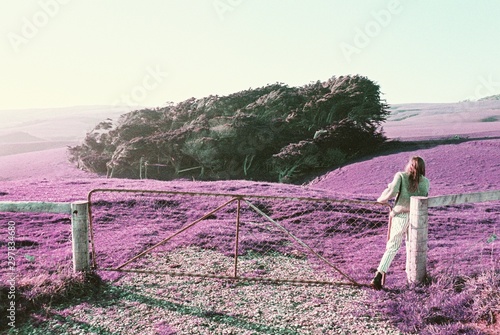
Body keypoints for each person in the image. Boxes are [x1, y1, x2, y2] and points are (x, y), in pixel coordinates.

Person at [371, 156, 430, 290]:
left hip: (401, 216)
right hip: (417, 218)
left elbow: (391, 192)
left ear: (410, 165)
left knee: (393, 246)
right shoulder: (426, 181)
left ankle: (378, 275)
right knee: (412, 248)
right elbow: (424, 198)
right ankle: (412, 281)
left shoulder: (401, 176)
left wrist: (380, 199)